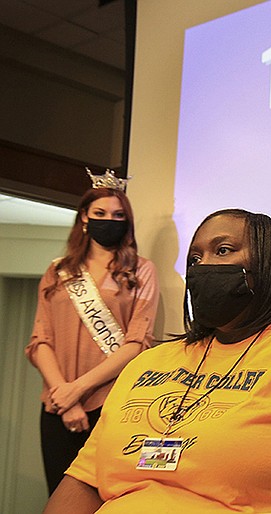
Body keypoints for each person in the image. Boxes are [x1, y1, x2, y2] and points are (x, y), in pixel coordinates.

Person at [43, 208, 271, 513]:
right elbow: (85, 481)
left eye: (223, 250)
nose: (203, 267)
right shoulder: (148, 362)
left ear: (268, 264)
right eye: (195, 258)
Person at [26, 170, 159, 495]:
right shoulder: (58, 271)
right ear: (84, 218)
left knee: (106, 497)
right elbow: (40, 341)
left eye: (117, 215)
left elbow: (136, 343)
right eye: (100, 214)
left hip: (112, 403)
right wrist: (64, 395)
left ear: (126, 222)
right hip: (57, 405)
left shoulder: (141, 270)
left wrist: (79, 389)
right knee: (59, 496)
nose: (108, 220)